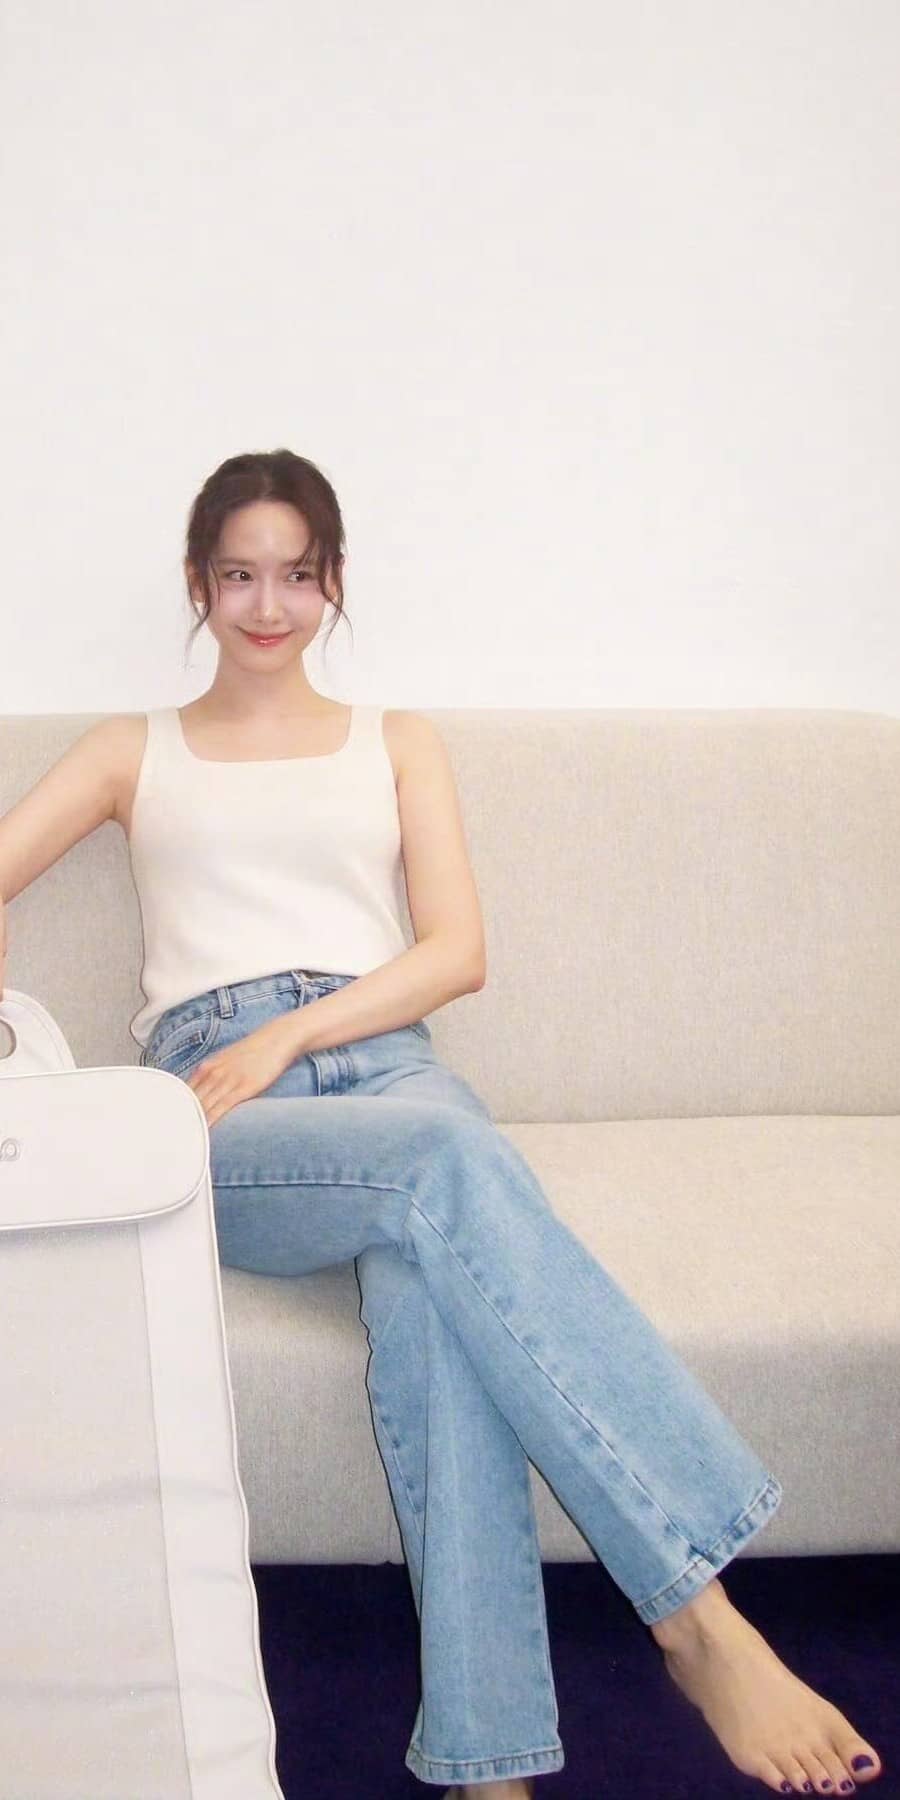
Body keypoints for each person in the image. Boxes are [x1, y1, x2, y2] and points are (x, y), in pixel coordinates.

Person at [0, 449, 883, 1800]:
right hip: (220, 1095)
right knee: (451, 1170)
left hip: (389, 1067)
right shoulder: (133, 750)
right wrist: (234, 1046)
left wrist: (302, 1028)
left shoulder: (397, 740)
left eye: (298, 575)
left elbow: (458, 952)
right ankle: (698, 1614)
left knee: (434, 1283)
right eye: (239, 574)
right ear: (197, 582)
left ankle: (488, 1761)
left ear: (335, 581)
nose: (269, 606)